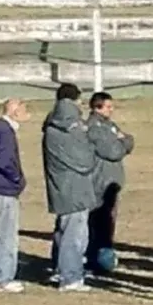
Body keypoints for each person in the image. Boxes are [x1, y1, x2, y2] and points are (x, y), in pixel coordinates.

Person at [43, 83, 98, 292]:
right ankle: (70, 276)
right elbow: (84, 159)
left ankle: (61, 269)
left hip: (61, 185)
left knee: (64, 229)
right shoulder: (72, 127)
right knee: (74, 234)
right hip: (74, 187)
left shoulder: (52, 125)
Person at [0, 98, 30, 293]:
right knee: (6, 236)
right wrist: (17, 178)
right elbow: (4, 160)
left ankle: (1, 276)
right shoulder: (4, 130)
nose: (27, 114)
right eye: (24, 110)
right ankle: (3, 278)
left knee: (1, 234)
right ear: (15, 111)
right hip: (2, 190)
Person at [86, 92, 134, 271]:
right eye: (108, 106)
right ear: (97, 107)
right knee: (99, 223)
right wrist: (123, 143)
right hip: (100, 181)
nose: (111, 110)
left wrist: (125, 141)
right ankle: (96, 260)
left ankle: (104, 258)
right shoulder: (94, 127)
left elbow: (127, 140)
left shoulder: (109, 125)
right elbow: (113, 151)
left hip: (111, 181)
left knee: (109, 222)